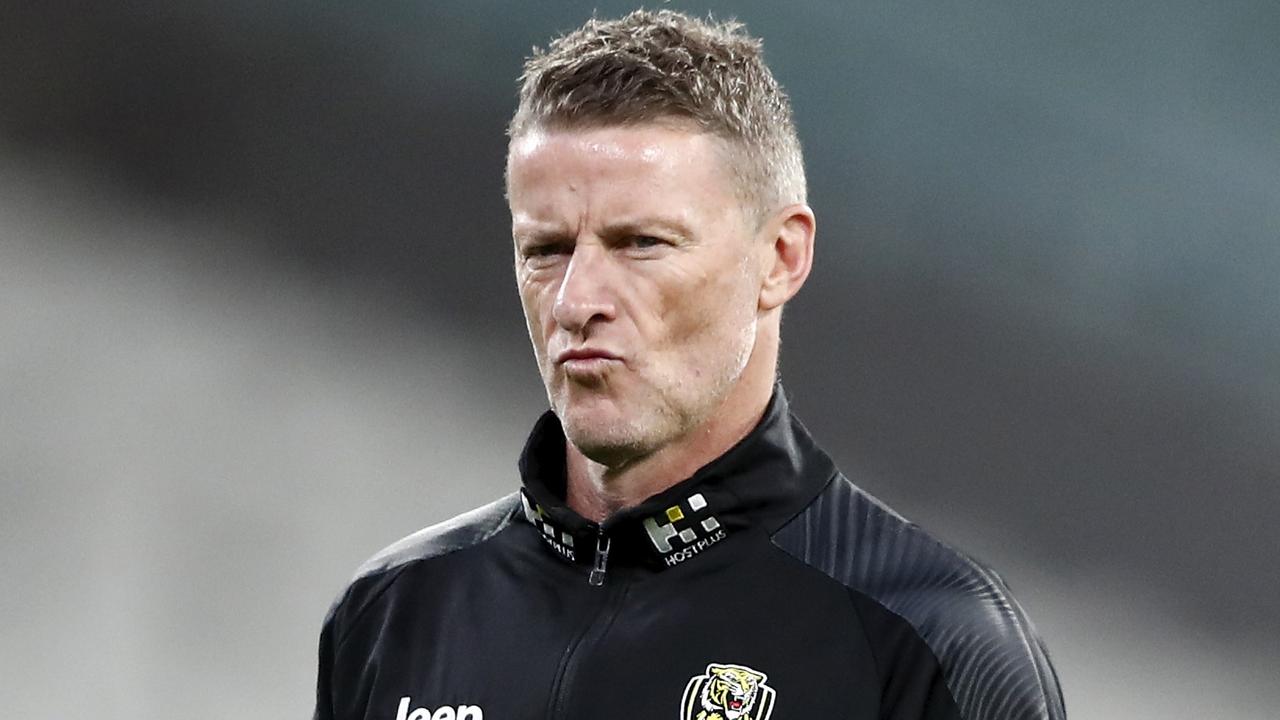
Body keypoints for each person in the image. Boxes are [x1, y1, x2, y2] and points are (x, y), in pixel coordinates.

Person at [313, 10, 1066, 720]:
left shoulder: (932, 642)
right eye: (545, 250)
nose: (576, 302)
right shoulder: (392, 611)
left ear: (781, 257)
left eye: (641, 243)